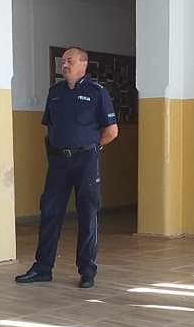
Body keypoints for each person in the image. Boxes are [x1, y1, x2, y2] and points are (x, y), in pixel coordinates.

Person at [16, 46, 118, 288]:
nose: (65, 65)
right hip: (58, 161)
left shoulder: (97, 93)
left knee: (87, 213)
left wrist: (93, 148)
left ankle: (87, 270)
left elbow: (112, 131)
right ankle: (42, 268)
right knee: (49, 212)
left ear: (84, 63)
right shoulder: (55, 93)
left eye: (70, 61)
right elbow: (49, 126)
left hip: (86, 160)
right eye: (63, 61)